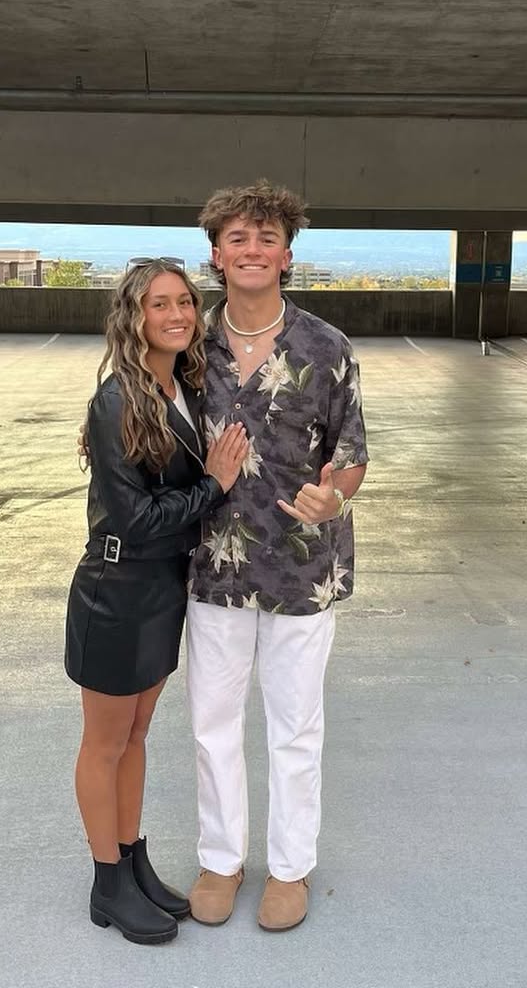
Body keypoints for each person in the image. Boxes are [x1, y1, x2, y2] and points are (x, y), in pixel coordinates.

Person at [185, 180, 369, 932]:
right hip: (212, 563)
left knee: (294, 725)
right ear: (216, 254)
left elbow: (351, 454)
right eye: (238, 238)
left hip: (301, 564)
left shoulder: (326, 347)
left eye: (267, 238)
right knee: (212, 721)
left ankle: (290, 869)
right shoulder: (187, 346)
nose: (253, 249)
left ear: (287, 255)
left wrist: (336, 498)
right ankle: (220, 860)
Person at [65, 258, 248, 945]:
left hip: (162, 588)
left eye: (185, 302)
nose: (177, 315)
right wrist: (214, 485)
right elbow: (136, 518)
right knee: (104, 742)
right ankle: (107, 883)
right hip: (116, 591)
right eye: (159, 304)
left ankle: (132, 859)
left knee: (137, 736)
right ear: (134, 317)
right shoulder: (116, 401)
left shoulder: (183, 389)